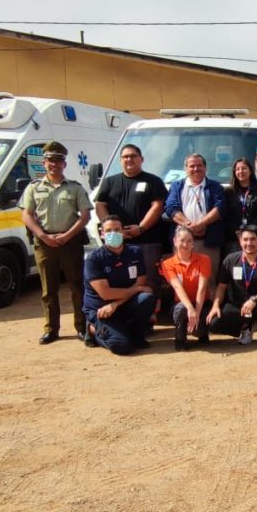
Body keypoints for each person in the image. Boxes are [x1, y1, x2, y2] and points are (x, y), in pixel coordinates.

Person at [20, 141, 92, 344]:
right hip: (44, 243)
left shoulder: (75, 188)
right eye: (50, 160)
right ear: (44, 163)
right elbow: (27, 215)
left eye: (59, 160)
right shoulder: (34, 188)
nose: (55, 164)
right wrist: (43, 236)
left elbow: (85, 215)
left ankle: (81, 327)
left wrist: (68, 235)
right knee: (48, 289)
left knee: (76, 286)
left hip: (70, 242)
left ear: (64, 164)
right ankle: (51, 329)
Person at [94, 143, 168, 295]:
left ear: (141, 159)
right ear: (120, 160)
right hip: (117, 242)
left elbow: (158, 206)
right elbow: (100, 205)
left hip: (147, 240)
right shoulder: (109, 182)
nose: (129, 159)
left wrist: (141, 228)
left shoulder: (153, 181)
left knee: (150, 278)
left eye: (133, 156)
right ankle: (126, 309)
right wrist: (112, 229)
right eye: (125, 156)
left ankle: (150, 309)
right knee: (119, 277)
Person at [82, 215, 156, 355]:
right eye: (109, 230)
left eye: (117, 229)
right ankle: (92, 330)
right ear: (102, 234)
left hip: (120, 304)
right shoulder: (94, 259)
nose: (113, 234)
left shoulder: (135, 252)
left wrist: (116, 304)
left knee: (146, 298)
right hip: (101, 310)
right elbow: (106, 293)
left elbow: (140, 283)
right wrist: (137, 289)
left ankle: (137, 336)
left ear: (123, 231)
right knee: (122, 346)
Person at [207, 224, 257, 347]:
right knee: (213, 323)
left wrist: (255, 299)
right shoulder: (230, 259)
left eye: (253, 239)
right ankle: (246, 328)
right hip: (240, 305)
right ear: (240, 241)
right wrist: (215, 306)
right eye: (245, 239)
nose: (249, 243)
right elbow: (221, 287)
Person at [164, 153, 226, 288]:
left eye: (199, 165)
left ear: (205, 168)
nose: (196, 169)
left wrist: (201, 224)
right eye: (192, 166)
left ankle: (208, 307)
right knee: (184, 277)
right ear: (185, 168)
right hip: (183, 241)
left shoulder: (215, 187)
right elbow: (170, 208)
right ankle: (185, 306)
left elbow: (220, 208)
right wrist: (188, 225)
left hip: (208, 241)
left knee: (209, 278)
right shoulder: (176, 186)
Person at [160, 226, 211, 350]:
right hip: (181, 304)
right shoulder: (168, 264)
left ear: (193, 243)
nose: (185, 244)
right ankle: (180, 339)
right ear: (175, 241)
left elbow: (202, 288)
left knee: (201, 326)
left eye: (189, 241)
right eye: (182, 240)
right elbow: (177, 287)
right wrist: (190, 309)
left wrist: (196, 314)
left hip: (202, 304)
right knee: (182, 309)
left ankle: (202, 334)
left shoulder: (204, 259)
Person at [224, 157, 257, 254]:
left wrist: (250, 230)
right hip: (234, 238)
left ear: (250, 171)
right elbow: (226, 214)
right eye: (237, 169)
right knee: (236, 266)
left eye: (244, 168)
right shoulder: (229, 192)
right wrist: (237, 231)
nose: (240, 171)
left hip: (254, 236)